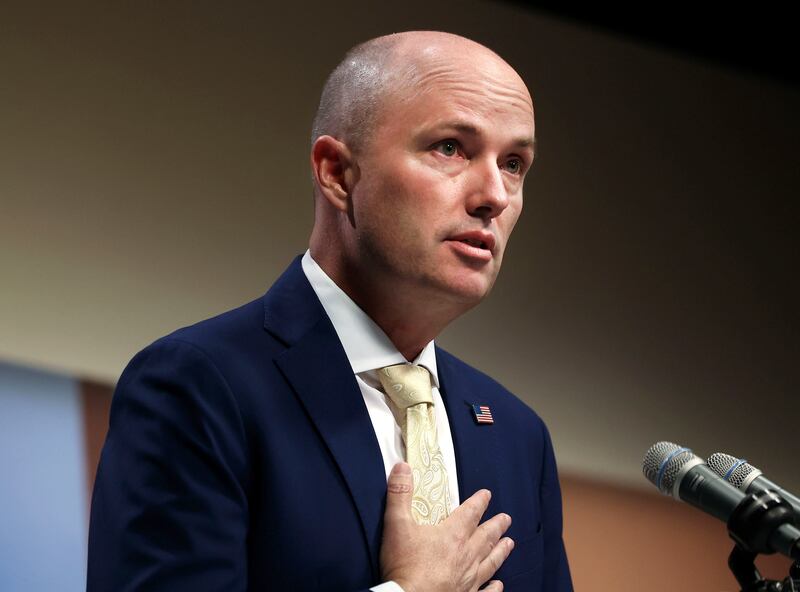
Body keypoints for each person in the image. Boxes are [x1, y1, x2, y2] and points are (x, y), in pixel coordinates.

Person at [87, 31, 573, 592]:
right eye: (450, 148)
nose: (495, 194)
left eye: (514, 163)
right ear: (338, 173)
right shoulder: (199, 384)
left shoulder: (519, 435)